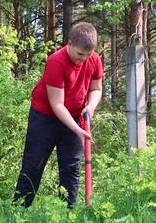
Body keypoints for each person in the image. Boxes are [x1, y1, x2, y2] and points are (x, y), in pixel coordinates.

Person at [13, 22, 103, 208]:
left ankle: (67, 215)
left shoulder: (93, 59)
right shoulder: (56, 61)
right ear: (69, 44)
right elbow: (57, 105)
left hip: (76, 115)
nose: (83, 59)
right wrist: (77, 130)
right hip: (45, 116)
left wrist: (91, 107)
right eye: (79, 54)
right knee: (33, 165)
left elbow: (96, 88)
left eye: (87, 55)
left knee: (71, 168)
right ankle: (18, 211)